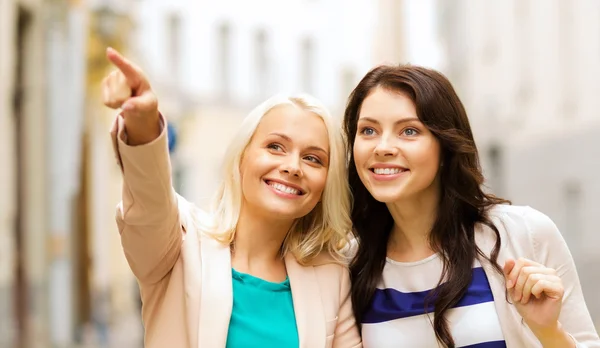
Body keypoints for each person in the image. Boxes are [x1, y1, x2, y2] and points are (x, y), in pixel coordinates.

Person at [102, 47, 361, 348]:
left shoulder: (332, 276)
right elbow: (149, 203)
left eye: (313, 159)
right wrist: (144, 125)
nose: (292, 167)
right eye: (275, 147)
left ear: (326, 185)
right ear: (242, 157)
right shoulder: (181, 244)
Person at [343, 64, 600, 347]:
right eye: (368, 130)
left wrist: (548, 331)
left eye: (409, 131)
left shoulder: (524, 234)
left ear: (445, 145)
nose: (383, 147)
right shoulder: (349, 264)